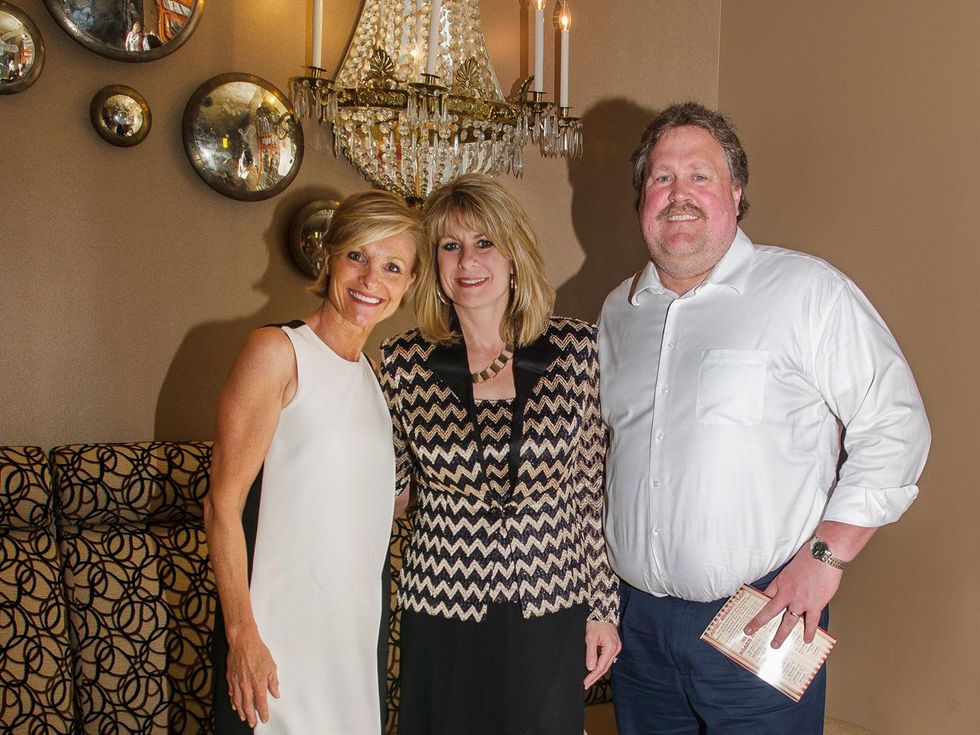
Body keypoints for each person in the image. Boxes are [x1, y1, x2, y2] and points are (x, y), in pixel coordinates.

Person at [599, 102, 930, 734]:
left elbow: (896, 424)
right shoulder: (620, 312)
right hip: (637, 622)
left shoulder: (806, 291)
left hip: (764, 614)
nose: (679, 194)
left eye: (700, 175)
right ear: (642, 196)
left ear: (736, 192)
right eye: (661, 177)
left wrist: (825, 560)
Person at [379, 173, 621, 735]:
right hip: (442, 600)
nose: (468, 261)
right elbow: (387, 484)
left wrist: (603, 608)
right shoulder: (402, 362)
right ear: (434, 264)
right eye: (450, 245)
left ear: (514, 254)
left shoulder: (577, 349)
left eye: (484, 242)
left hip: (550, 597)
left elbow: (590, 490)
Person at [204, 189, 422, 734]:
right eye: (357, 256)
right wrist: (242, 637)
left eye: (392, 266)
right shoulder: (277, 352)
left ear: (410, 283)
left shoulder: (374, 378)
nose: (372, 280)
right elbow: (221, 507)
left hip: (351, 642)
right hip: (274, 642)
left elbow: (373, 508)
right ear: (329, 257)